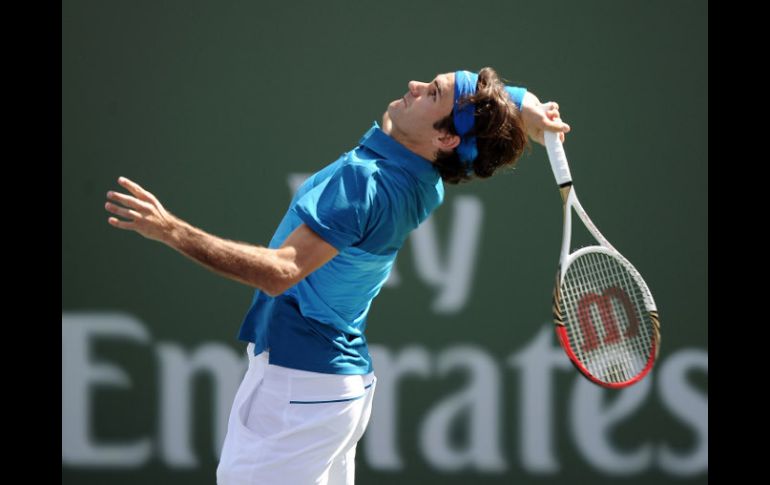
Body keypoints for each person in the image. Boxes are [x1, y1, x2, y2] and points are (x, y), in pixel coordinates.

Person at [104, 67, 570, 485]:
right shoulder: (423, 176)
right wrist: (526, 109)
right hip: (328, 391)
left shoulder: (365, 183)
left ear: (445, 138)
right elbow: (478, 104)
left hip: (298, 392)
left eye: (430, 93)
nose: (413, 84)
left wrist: (170, 230)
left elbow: (281, 272)